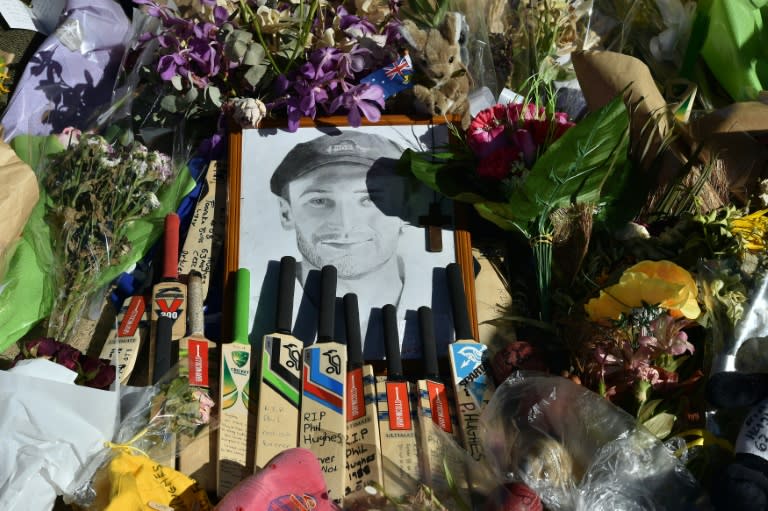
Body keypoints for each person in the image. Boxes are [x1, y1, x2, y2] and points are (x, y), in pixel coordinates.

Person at [269, 130, 448, 356]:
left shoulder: (446, 309)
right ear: (286, 213)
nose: (346, 225)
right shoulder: (254, 314)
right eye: (319, 200)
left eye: (370, 199)